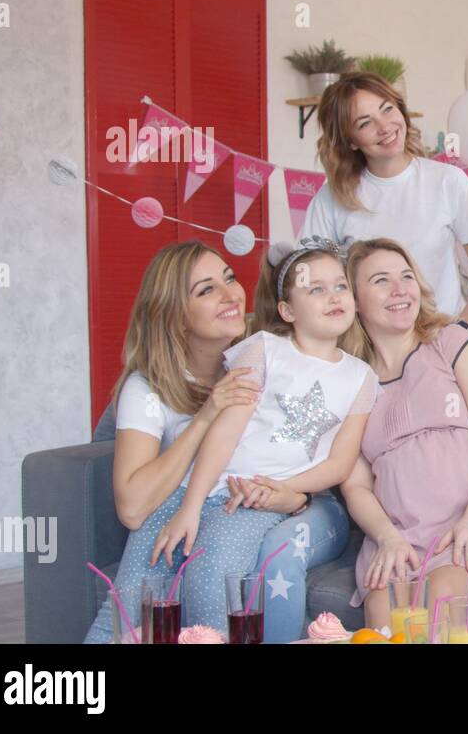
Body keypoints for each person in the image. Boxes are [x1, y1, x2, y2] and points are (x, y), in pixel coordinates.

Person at [83, 241, 350, 644]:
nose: (230, 295)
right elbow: (134, 507)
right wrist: (208, 412)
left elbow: (310, 443)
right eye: (206, 290)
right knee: (145, 566)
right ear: (174, 312)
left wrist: (294, 498)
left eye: (229, 278)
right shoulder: (148, 388)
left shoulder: (268, 354)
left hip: (275, 499)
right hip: (207, 501)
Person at [339, 238, 468, 629]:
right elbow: (356, 486)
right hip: (403, 533)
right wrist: (386, 537)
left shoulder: (451, 342)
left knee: (443, 604)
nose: (400, 289)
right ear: (356, 301)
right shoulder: (350, 381)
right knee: (386, 620)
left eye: (406, 277)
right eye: (381, 281)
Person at [301, 72, 468, 328]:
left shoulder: (448, 182)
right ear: (350, 141)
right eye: (365, 123)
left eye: (387, 109)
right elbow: (309, 283)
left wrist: (457, 337)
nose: (384, 127)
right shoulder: (331, 199)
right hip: (367, 352)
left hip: (438, 344)